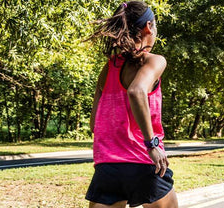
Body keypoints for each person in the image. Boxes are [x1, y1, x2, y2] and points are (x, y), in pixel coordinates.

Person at [84, 1, 178, 208]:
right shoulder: (153, 61)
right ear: (148, 28)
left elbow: (94, 125)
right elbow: (137, 91)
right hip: (143, 163)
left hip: (107, 168)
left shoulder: (109, 68)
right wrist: (151, 144)